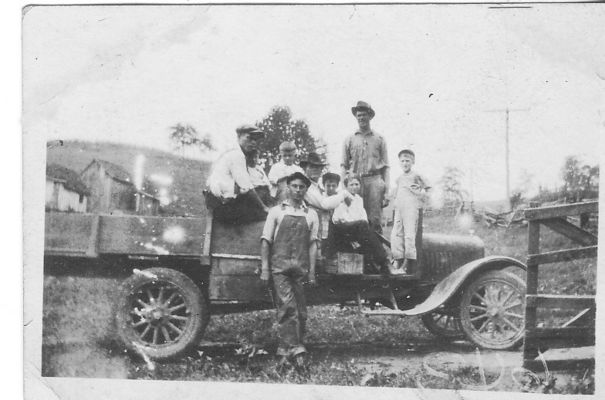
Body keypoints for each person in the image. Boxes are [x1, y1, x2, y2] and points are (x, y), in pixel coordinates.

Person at [260, 172, 319, 368]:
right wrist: (265, 269)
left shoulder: (311, 214)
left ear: (306, 190)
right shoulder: (276, 212)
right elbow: (266, 241)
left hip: (300, 269)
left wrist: (311, 272)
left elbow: (312, 244)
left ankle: (285, 349)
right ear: (288, 187)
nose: (298, 190)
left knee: (301, 311)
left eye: (302, 187)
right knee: (287, 307)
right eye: (294, 186)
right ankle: (297, 351)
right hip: (280, 268)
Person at [205, 124, 270, 224]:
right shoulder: (236, 155)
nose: (253, 143)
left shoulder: (235, 153)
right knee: (266, 210)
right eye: (249, 138)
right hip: (224, 207)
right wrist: (264, 208)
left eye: (255, 140)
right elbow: (247, 187)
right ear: (239, 137)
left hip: (224, 202)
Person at [342, 101, 390, 233]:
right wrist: (343, 189)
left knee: (374, 219)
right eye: (359, 115)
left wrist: (386, 193)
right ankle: (359, 252)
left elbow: (386, 167)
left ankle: (377, 252)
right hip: (355, 182)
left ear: (370, 116)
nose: (361, 118)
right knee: (355, 218)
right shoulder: (349, 139)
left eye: (364, 115)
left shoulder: (379, 139)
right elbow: (344, 165)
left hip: (374, 181)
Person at [328, 174, 390, 273]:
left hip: (355, 228)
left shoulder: (359, 199)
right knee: (363, 226)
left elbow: (363, 216)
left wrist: (362, 223)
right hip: (342, 228)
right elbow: (340, 218)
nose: (354, 187)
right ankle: (383, 260)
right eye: (351, 184)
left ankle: (375, 265)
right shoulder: (344, 196)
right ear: (346, 186)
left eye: (357, 184)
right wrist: (359, 223)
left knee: (368, 228)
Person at [390, 149, 430, 275]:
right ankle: (397, 260)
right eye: (402, 161)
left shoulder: (417, 176)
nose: (405, 163)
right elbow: (395, 193)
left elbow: (428, 188)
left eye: (407, 161)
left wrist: (421, 195)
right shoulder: (399, 178)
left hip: (411, 208)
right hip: (400, 208)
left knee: (409, 235)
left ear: (413, 162)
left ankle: (407, 264)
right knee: (396, 234)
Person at [301, 153, 353, 244]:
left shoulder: (317, 187)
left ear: (321, 170)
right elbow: (324, 204)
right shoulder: (305, 185)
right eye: (311, 167)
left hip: (321, 226)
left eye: (318, 167)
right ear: (305, 168)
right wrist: (344, 194)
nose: (315, 169)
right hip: (307, 226)